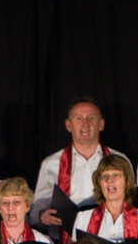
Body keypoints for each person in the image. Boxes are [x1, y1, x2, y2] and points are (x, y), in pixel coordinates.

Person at [32, 96, 132, 226]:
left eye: (91, 118)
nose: (85, 124)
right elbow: (36, 211)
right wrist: (41, 215)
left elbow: (131, 201)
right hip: (66, 240)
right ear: (68, 125)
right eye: (79, 119)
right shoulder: (51, 164)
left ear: (101, 124)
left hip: (109, 235)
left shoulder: (120, 160)